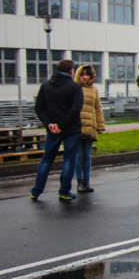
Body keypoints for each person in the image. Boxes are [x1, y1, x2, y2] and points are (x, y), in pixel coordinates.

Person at [30, 59, 83, 202]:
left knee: (47, 160)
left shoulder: (46, 86)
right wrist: (62, 125)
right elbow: (76, 108)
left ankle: (36, 191)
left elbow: (39, 108)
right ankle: (64, 191)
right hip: (71, 129)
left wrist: (50, 125)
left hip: (52, 130)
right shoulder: (75, 87)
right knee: (68, 160)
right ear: (71, 71)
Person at [74, 64, 105, 193]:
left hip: (90, 127)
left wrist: (100, 125)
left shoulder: (94, 89)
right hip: (76, 127)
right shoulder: (74, 88)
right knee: (78, 156)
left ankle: (87, 181)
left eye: (88, 74)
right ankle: (79, 182)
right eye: (83, 74)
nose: (85, 77)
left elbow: (98, 108)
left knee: (87, 156)